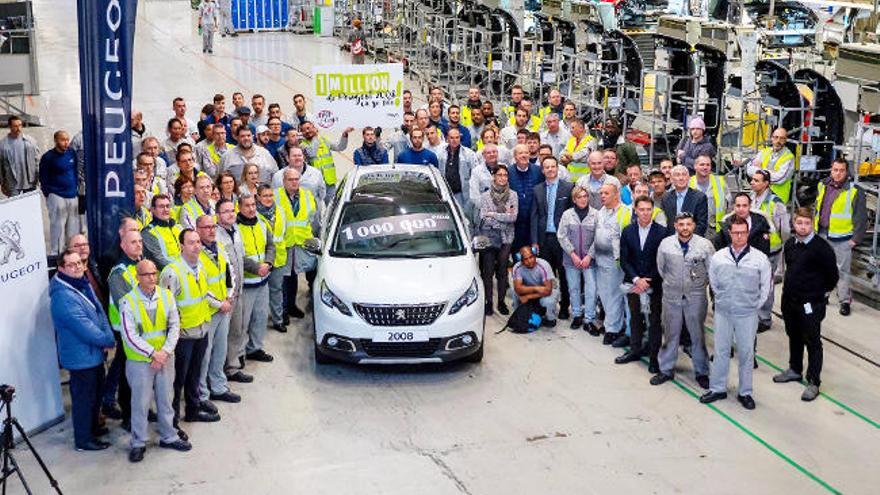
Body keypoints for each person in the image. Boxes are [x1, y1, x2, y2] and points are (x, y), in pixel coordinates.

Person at [120, 260, 191, 462]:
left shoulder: (167, 296)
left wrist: (165, 352)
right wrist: (153, 353)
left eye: (154, 273)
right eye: (146, 274)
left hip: (165, 358)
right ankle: (138, 442)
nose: (151, 277)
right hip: (140, 361)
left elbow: (175, 326)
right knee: (140, 403)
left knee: (166, 398)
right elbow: (129, 334)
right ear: (137, 277)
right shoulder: (128, 301)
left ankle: (169, 436)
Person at [701, 217, 772, 410]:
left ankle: (745, 392)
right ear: (730, 234)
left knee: (746, 354)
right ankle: (717, 388)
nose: (739, 236)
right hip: (723, 312)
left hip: (747, 314)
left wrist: (753, 305)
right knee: (721, 351)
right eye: (735, 233)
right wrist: (723, 300)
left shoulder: (759, 259)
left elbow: (766, 287)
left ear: (748, 234)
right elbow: (713, 283)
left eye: (743, 233)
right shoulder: (719, 257)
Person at [51, 249, 116, 451]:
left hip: (93, 354)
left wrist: (107, 334)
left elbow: (99, 312)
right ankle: (83, 439)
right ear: (61, 268)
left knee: (96, 395)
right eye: (71, 264)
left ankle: (94, 428)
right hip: (81, 357)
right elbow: (84, 327)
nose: (77, 266)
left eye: (79, 262)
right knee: (83, 400)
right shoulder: (63, 296)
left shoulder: (81, 284)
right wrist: (107, 339)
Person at [774, 207, 839, 402]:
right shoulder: (790, 245)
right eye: (799, 223)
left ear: (812, 224)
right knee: (793, 335)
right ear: (794, 224)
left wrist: (817, 295)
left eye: (807, 223)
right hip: (790, 301)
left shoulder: (821, 248)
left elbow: (832, 276)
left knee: (812, 341)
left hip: (811, 303)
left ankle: (813, 381)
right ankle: (795, 369)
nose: (803, 227)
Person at [160, 228, 220, 425]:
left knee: (194, 376)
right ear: (181, 246)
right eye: (191, 242)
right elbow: (167, 309)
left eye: (198, 242)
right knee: (177, 381)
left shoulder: (200, 265)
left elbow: (203, 295)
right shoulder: (172, 272)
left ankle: (193, 411)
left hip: (201, 329)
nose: (196, 246)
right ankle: (173, 422)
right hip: (183, 336)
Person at [651, 212, 713, 389]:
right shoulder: (666, 245)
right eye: (681, 224)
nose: (685, 228)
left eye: (688, 224)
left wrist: (697, 285)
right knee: (671, 333)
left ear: (693, 226)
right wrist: (675, 284)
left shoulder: (704, 245)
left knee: (697, 335)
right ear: (675, 226)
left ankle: (702, 372)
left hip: (696, 296)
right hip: (671, 296)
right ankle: (666, 369)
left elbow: (712, 271)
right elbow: (661, 268)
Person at [616, 195, 665, 369]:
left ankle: (654, 358)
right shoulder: (628, 231)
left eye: (648, 209)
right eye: (641, 209)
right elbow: (624, 259)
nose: (645, 213)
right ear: (635, 211)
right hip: (634, 284)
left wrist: (647, 281)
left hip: (654, 285)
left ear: (653, 210)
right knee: (635, 319)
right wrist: (637, 279)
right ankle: (634, 350)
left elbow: (662, 262)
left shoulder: (662, 232)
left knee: (654, 322)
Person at [814, 157, 867, 316]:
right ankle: (824, 295)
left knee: (842, 271)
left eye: (841, 170)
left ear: (846, 172)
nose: (837, 174)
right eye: (835, 170)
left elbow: (861, 218)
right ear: (831, 169)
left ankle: (844, 300)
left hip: (843, 238)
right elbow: (817, 208)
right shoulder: (822, 185)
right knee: (823, 268)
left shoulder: (855, 191)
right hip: (822, 233)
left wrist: (854, 239)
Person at [103, 229, 143, 430]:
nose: (138, 245)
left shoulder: (142, 265)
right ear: (123, 246)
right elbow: (125, 305)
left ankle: (141, 410)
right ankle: (128, 416)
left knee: (141, 376)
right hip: (126, 332)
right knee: (128, 376)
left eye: (140, 241)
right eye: (133, 242)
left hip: (146, 332)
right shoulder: (119, 273)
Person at [275, 168, 322, 325]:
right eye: (291, 180)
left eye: (297, 179)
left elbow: (312, 217)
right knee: (283, 279)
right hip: (284, 244)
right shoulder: (276, 196)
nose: (294, 182)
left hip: (301, 244)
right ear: (284, 181)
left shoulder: (307, 196)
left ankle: (291, 306)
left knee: (294, 275)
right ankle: (282, 311)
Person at [237, 193, 277, 367]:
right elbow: (238, 256)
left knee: (260, 317)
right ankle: (238, 353)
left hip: (263, 281)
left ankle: (255, 348)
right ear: (239, 207)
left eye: (253, 204)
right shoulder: (235, 228)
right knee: (242, 322)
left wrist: (268, 263)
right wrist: (256, 268)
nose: (252, 208)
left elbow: (271, 245)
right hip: (246, 283)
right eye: (247, 205)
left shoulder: (262, 222)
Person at [530, 156, 573, 320]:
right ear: (542, 170)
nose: (550, 169)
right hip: (543, 239)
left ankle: (564, 306)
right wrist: (534, 240)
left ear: (557, 168)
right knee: (546, 275)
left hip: (561, 239)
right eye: (546, 167)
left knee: (563, 274)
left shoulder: (568, 188)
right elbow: (534, 217)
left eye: (552, 166)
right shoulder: (537, 189)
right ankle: (546, 307)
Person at [215, 198, 252, 384]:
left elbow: (241, 258)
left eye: (232, 210)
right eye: (226, 211)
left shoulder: (236, 230)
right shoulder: (215, 236)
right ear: (217, 215)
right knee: (221, 336)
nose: (231, 214)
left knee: (237, 330)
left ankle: (232, 367)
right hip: (225, 296)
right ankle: (217, 372)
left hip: (239, 291)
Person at [590, 183, 631, 345]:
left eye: (606, 193)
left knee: (614, 295)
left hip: (616, 262)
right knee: (604, 294)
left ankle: (613, 329)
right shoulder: (600, 213)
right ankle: (612, 324)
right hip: (600, 260)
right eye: (601, 193)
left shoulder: (626, 212)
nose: (602, 196)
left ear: (616, 194)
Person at [557, 186, 599, 333]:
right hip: (571, 260)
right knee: (573, 288)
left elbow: (598, 238)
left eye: (585, 196)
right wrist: (572, 254)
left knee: (591, 289)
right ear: (574, 199)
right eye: (579, 197)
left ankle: (589, 319)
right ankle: (576, 315)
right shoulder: (567, 215)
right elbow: (561, 236)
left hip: (590, 260)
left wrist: (589, 256)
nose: (583, 199)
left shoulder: (596, 215)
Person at [750, 169, 789, 330]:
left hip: (770, 251)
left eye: (757, 180)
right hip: (754, 249)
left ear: (766, 184)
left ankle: (764, 319)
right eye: (752, 179)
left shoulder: (775, 203)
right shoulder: (751, 199)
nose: (752, 182)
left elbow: (784, 230)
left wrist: (782, 251)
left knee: (767, 285)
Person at [477, 166, 517, 315]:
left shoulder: (513, 196)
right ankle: (488, 302)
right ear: (494, 177)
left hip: (506, 238)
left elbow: (513, 217)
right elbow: (484, 218)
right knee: (487, 271)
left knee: (502, 270)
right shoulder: (486, 196)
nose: (502, 178)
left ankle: (501, 302)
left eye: (505, 175)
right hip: (488, 237)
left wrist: (493, 214)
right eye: (499, 175)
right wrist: (501, 217)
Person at [40, 130, 80, 255]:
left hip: (72, 195)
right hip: (56, 195)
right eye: (63, 140)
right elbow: (43, 178)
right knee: (58, 227)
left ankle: (72, 253)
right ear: (56, 140)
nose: (66, 142)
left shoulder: (72, 153)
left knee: (72, 228)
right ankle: (56, 254)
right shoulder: (48, 157)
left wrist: (76, 189)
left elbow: (75, 171)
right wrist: (49, 194)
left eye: (67, 140)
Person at [256, 184, 287, 331]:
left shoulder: (280, 210)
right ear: (258, 197)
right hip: (261, 260)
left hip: (278, 258)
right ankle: (257, 323)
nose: (268, 199)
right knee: (260, 295)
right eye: (265, 196)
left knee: (276, 290)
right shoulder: (254, 214)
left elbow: (284, 232)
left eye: (270, 195)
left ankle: (277, 320)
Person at [299, 121, 353, 201]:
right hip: (314, 182)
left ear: (313, 127)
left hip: (329, 181)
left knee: (331, 207)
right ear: (301, 132)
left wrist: (344, 135)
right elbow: (312, 153)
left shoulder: (323, 140)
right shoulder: (302, 144)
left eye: (308, 128)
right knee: (316, 209)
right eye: (304, 130)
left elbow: (340, 147)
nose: (307, 131)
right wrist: (315, 136)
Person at [511, 246, 560, 326]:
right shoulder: (517, 267)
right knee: (514, 292)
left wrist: (528, 297)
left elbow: (547, 290)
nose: (530, 261)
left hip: (549, 290)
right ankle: (518, 315)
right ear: (521, 260)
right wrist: (537, 288)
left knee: (547, 301)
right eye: (526, 259)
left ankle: (550, 318)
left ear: (535, 256)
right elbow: (518, 289)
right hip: (537, 289)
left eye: (531, 257)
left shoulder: (544, 265)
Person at [507, 144, 543, 252]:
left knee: (533, 255)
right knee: (517, 255)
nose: (524, 155)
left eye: (526, 153)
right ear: (515, 156)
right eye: (520, 153)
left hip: (534, 223)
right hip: (515, 223)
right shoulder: (508, 172)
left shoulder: (538, 171)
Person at [744, 127, 795, 204]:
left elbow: (780, 179)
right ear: (772, 138)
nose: (778, 141)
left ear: (785, 140)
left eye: (782, 138)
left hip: (776, 199)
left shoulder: (789, 157)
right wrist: (769, 173)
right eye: (776, 137)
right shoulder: (764, 152)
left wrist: (760, 169)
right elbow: (749, 170)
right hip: (758, 196)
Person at [660, 165, 708, 236]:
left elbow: (701, 225)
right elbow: (663, 223)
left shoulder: (700, 197)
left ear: (689, 178)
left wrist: (685, 239)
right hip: (671, 241)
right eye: (677, 175)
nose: (681, 178)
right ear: (671, 179)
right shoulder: (665, 198)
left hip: (692, 240)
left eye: (684, 175)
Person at [438, 127, 477, 213]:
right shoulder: (440, 153)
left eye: (457, 137)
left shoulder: (469, 154)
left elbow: (475, 175)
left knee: (463, 217)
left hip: (461, 193)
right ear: (447, 138)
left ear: (460, 138)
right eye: (451, 138)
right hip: (445, 193)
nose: (454, 140)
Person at [689, 154, 727, 239]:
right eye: (702, 164)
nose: (705, 167)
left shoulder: (720, 182)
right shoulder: (688, 183)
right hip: (693, 230)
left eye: (708, 165)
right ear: (695, 166)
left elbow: (729, 206)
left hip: (715, 230)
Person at [0, 115, 41, 196]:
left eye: (20, 125)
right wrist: (2, 183)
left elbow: (37, 160)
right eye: (15, 126)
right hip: (12, 183)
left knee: (31, 206)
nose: (18, 128)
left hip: (30, 181)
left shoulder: (30, 141)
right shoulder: (3, 145)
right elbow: (0, 166)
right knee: (15, 207)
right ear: (10, 127)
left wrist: (39, 177)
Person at [67, 233, 107, 308]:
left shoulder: (97, 266)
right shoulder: (69, 276)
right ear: (69, 250)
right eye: (77, 246)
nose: (82, 248)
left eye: (85, 244)